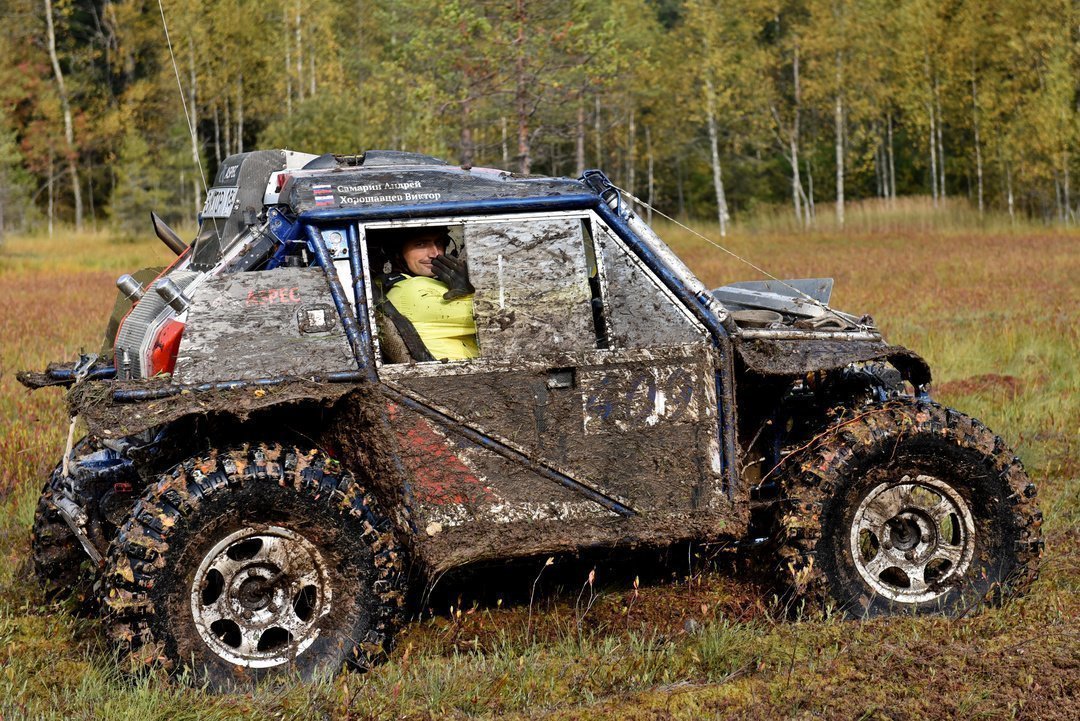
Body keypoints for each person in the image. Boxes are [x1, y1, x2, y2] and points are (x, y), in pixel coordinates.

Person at [378, 227, 478, 361]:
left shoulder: (439, 284)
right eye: (420, 244)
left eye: (438, 243)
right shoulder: (410, 290)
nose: (434, 253)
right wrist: (472, 289)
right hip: (450, 377)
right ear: (397, 251)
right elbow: (496, 316)